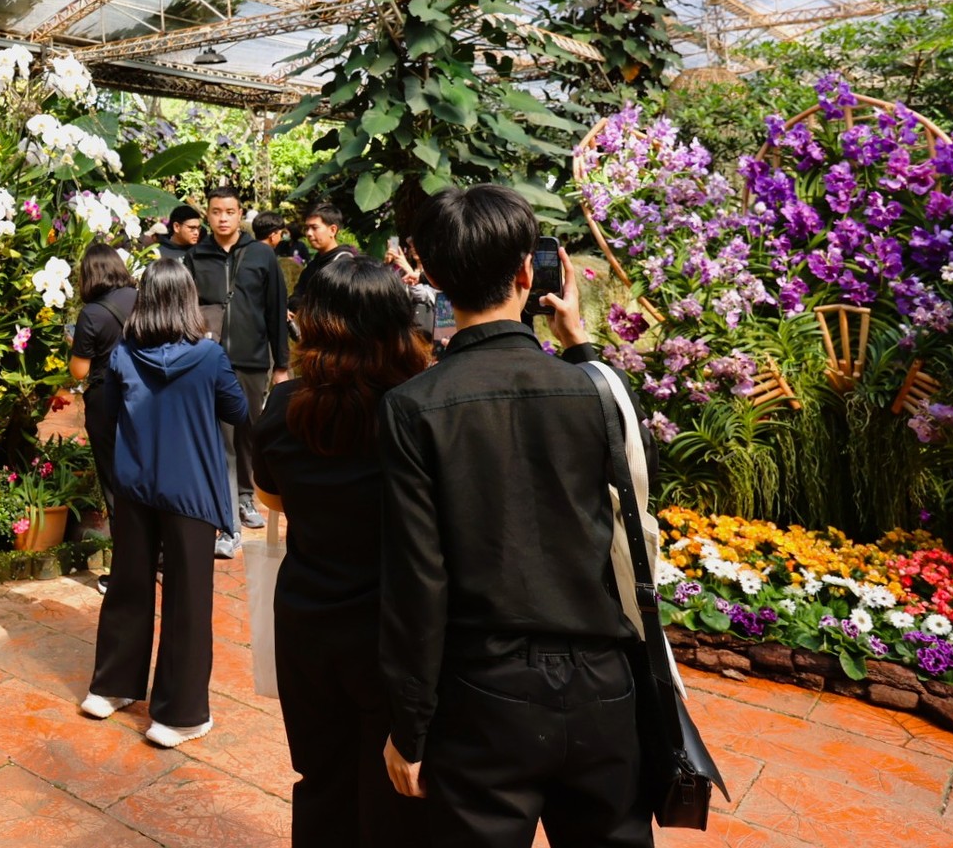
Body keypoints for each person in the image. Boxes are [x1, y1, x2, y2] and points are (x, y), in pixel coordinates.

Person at [379, 185, 652, 847]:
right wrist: (580, 345)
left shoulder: (414, 406)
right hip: (604, 683)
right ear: (529, 273)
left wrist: (410, 727)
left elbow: (418, 581)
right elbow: (637, 501)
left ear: (433, 277)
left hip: (485, 693)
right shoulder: (594, 390)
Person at [250, 256, 431, 847]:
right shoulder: (419, 407)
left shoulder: (284, 406)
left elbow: (271, 499)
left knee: (321, 778)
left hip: (309, 620)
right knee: (392, 792)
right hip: (394, 629)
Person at [80, 259, 247, 749]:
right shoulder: (209, 356)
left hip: (136, 487)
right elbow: (238, 410)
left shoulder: (124, 354)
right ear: (187, 299)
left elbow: (110, 415)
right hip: (190, 491)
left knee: (128, 584)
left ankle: (109, 688)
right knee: (186, 600)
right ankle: (178, 716)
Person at [188, 184, 289, 551]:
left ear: (240, 214)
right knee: (221, 436)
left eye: (229, 212)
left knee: (248, 430)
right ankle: (227, 514)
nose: (223, 218)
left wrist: (281, 365)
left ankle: (245, 495)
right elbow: (186, 308)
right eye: (216, 212)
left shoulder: (261, 256)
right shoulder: (196, 256)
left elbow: (276, 309)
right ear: (208, 214)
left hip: (252, 359)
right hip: (208, 360)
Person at [71, 243, 137, 595]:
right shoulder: (143, 299)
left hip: (106, 401)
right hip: (144, 399)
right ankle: (158, 557)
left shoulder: (92, 314)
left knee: (115, 486)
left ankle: (125, 572)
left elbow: (79, 370)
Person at [291, 203, 359, 317]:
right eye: (307, 228)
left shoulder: (346, 265)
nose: (309, 233)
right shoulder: (313, 265)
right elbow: (296, 296)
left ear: (332, 230)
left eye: (314, 228)